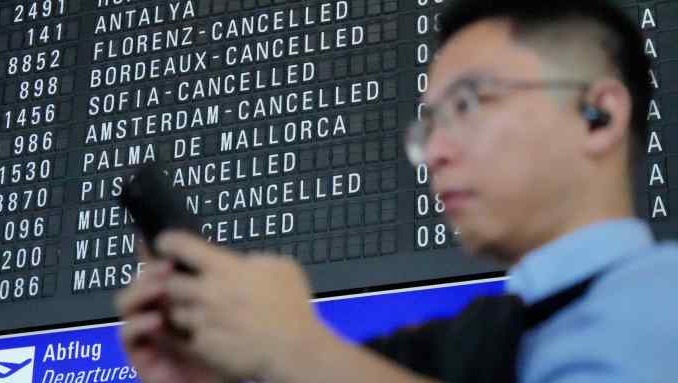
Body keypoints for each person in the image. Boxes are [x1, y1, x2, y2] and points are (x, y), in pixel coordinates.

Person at [115, 0, 678, 382]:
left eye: (469, 104)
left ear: (598, 115)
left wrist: (298, 347)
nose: (435, 153)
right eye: (428, 127)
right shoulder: (453, 347)